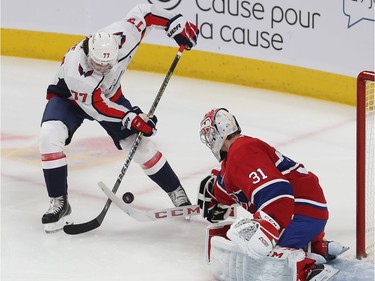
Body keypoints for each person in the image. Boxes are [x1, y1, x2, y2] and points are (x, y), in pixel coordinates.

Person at [39, 3, 199, 233]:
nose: (104, 68)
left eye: (108, 64)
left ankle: (176, 192)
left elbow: (146, 12)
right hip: (69, 99)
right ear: (88, 54)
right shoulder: (78, 71)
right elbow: (98, 107)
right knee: (49, 136)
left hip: (108, 96)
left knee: (141, 145)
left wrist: (175, 23)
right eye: (98, 64)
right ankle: (59, 202)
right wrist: (133, 118)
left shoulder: (123, 36)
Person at [198, 108, 347, 281]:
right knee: (249, 235)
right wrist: (214, 194)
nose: (209, 140)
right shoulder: (235, 157)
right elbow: (226, 186)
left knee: (254, 248)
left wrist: (268, 232)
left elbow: (278, 191)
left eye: (210, 133)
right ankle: (315, 245)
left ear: (220, 133)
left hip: (299, 215)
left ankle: (308, 269)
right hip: (308, 214)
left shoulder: (241, 150)